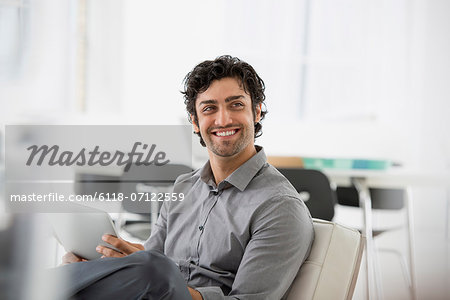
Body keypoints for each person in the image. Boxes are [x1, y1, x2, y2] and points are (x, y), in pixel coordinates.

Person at [60, 55, 314, 300]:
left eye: (236, 104)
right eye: (209, 108)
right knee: (72, 269)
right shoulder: (184, 186)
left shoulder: (280, 206)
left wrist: (155, 276)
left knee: (148, 271)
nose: (223, 119)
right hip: (150, 291)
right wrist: (111, 262)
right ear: (195, 121)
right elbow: (151, 259)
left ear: (256, 112)